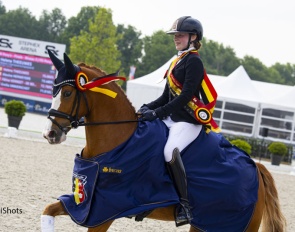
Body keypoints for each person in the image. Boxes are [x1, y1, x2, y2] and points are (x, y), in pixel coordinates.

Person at [138, 16, 219, 227]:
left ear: (193, 37)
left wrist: (158, 113)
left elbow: (185, 97)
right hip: (171, 118)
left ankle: (185, 206)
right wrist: (147, 108)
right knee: (147, 139)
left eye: (180, 35)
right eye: (175, 35)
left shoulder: (194, 61)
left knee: (169, 151)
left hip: (188, 121)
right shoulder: (177, 60)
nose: (176, 38)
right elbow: (166, 96)